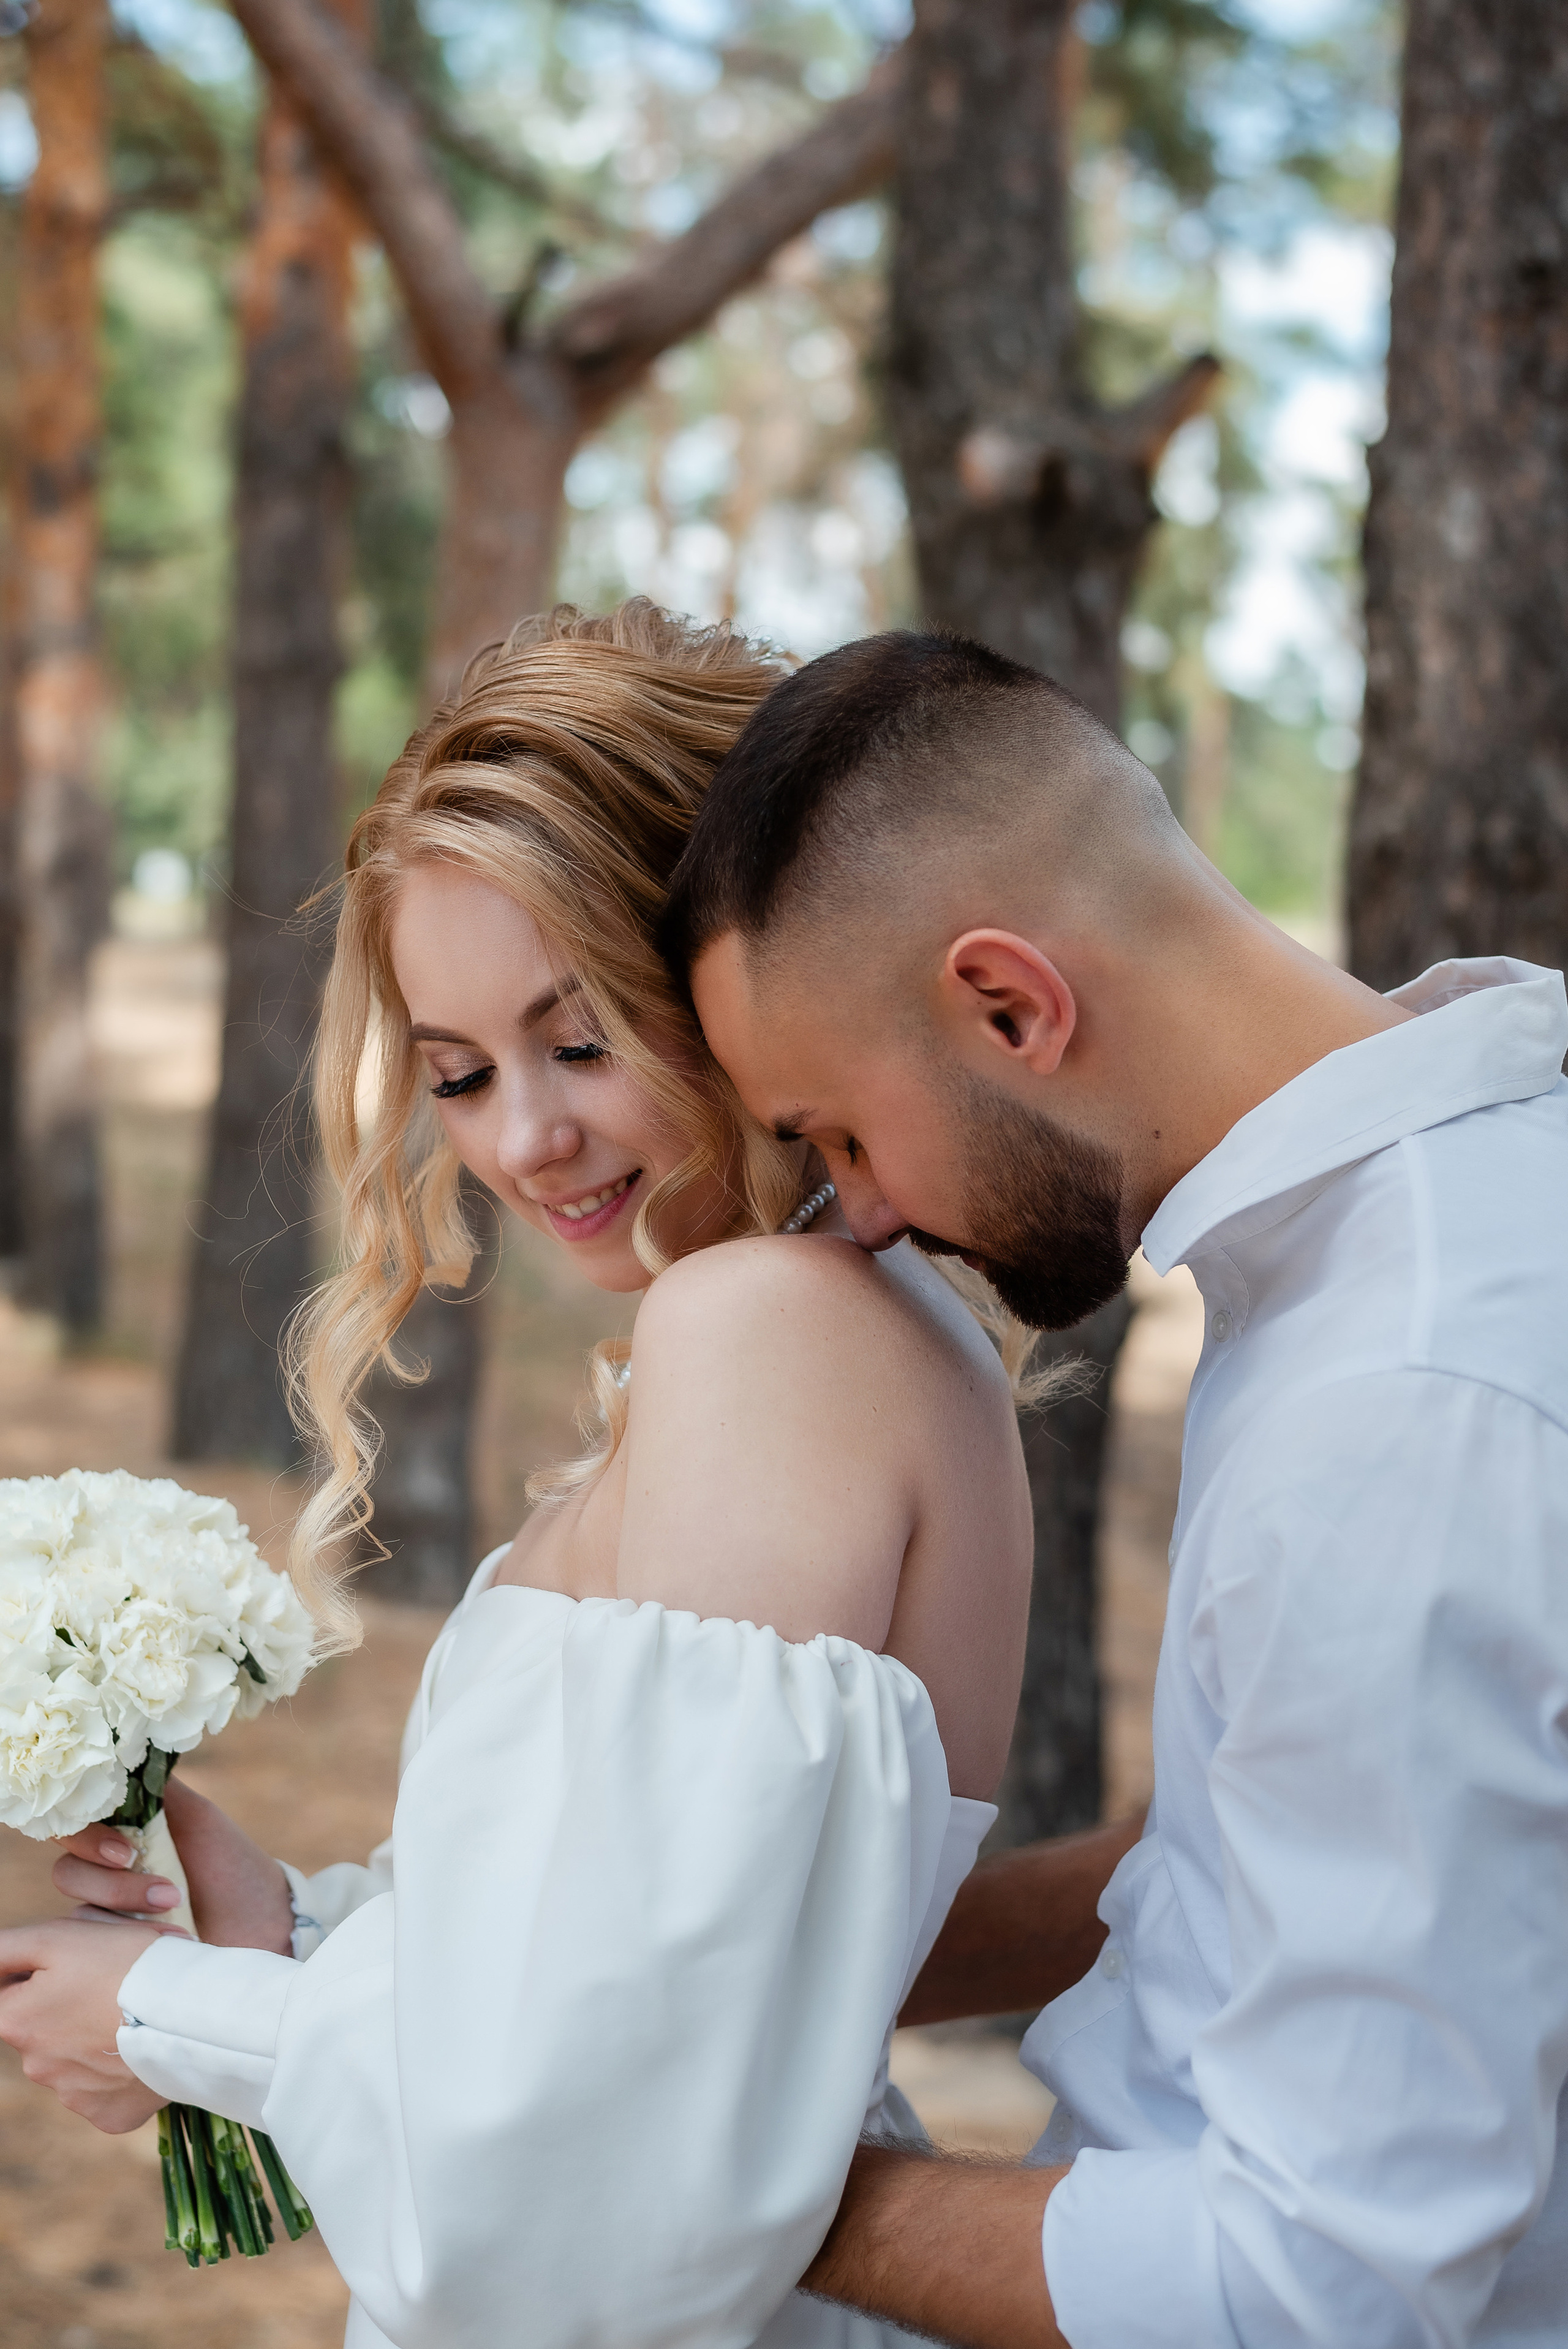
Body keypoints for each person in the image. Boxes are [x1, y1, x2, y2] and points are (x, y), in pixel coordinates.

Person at [0, 603, 1044, 2349]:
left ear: (732, 970)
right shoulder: (816, 1329)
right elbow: (608, 1972)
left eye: (584, 1037)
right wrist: (295, 1937)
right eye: (462, 1074)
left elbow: (597, 2152)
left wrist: (176, 2015)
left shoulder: (769, 1333)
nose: (524, 1140)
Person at [662, 626, 1568, 2349]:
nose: (849, 1213)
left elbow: (1315, 2293)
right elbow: (1228, 1866)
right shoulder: (1424, 1228)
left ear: (1012, 1004)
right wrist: (738, 1995)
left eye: (841, 1131)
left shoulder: (1400, 1406)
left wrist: (717, 2169)